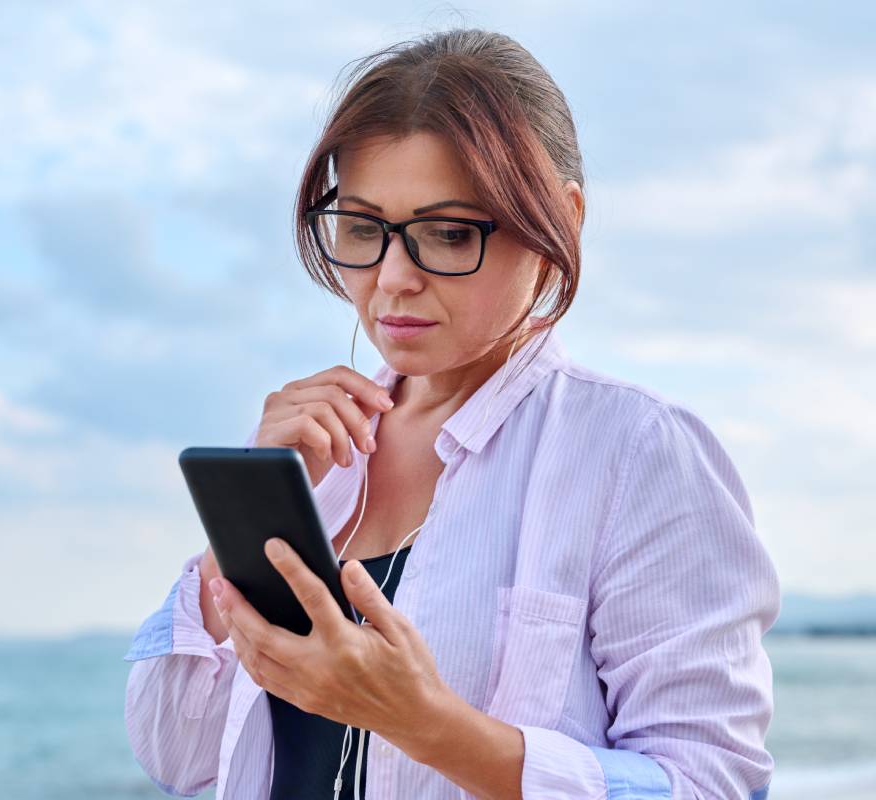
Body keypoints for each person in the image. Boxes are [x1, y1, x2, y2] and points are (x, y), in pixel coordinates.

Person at [123, 27, 778, 800]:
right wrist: (230, 548)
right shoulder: (313, 455)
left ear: (560, 223)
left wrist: (428, 725)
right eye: (364, 229)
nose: (393, 278)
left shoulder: (636, 452)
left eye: (448, 233)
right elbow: (179, 756)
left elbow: (712, 784)